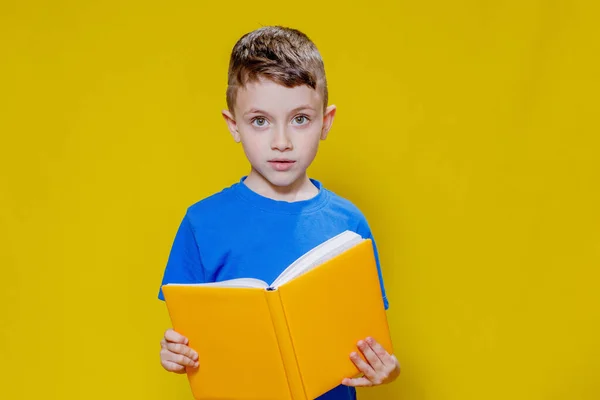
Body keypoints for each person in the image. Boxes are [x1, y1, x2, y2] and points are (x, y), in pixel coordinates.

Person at [157, 25, 400, 399]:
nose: (281, 142)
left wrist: (386, 368)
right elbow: (187, 337)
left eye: (300, 119)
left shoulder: (349, 224)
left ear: (326, 122)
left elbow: (370, 340)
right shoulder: (201, 223)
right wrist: (175, 352)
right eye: (260, 121)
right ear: (233, 125)